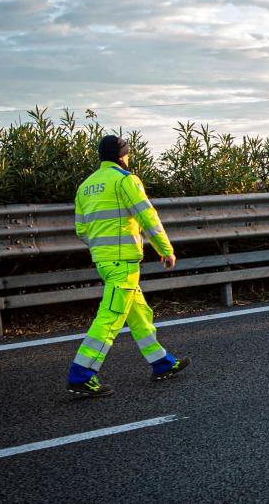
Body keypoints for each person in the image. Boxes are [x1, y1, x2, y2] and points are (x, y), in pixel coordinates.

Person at [67, 135, 189, 397]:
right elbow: (148, 217)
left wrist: (102, 248)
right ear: (122, 155)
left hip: (103, 260)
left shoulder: (85, 186)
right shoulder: (125, 180)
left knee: (138, 312)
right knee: (110, 317)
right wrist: (165, 250)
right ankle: (82, 374)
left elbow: (80, 230)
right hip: (123, 262)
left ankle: (161, 362)